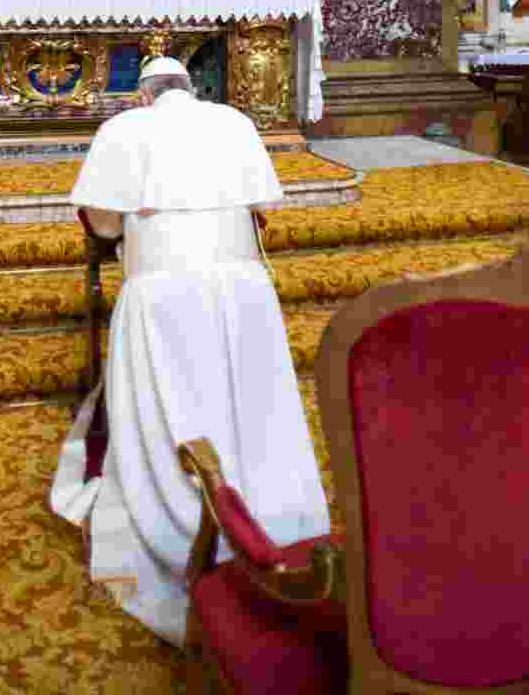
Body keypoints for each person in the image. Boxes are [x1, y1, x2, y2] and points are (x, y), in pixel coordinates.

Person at [50, 56, 330, 648]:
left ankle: (183, 515)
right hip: (245, 295)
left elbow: (101, 226)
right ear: (189, 89)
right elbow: (260, 208)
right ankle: (273, 508)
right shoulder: (235, 123)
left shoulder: (123, 131)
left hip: (161, 299)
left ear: (144, 96)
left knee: (176, 404)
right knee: (249, 409)